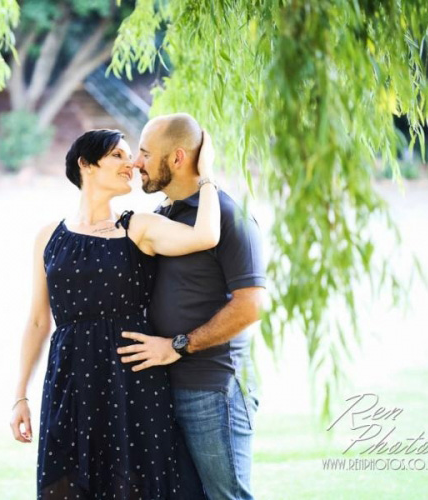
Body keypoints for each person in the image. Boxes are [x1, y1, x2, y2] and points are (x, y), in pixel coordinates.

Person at [10, 123, 220, 499]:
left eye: (131, 155)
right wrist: (20, 395)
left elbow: (205, 236)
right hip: (71, 382)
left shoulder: (137, 227)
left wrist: (206, 177)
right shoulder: (48, 237)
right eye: (118, 155)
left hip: (132, 382)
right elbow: (39, 321)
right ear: (86, 164)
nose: (131, 164)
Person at [117, 113, 267, 500]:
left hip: (214, 388)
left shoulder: (229, 217)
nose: (136, 162)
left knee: (226, 496)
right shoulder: (164, 216)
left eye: (146, 153)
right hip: (165, 385)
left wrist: (177, 346)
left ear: (178, 158)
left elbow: (251, 305)